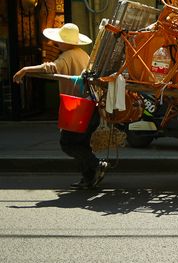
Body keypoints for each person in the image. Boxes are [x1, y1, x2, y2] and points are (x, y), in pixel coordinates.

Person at [13, 23, 107, 189]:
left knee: (68, 144)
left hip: (78, 107)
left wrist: (25, 69)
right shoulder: (82, 54)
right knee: (81, 144)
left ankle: (96, 164)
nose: (57, 44)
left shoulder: (68, 55)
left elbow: (51, 68)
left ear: (66, 42)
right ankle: (89, 177)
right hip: (90, 105)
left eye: (59, 41)